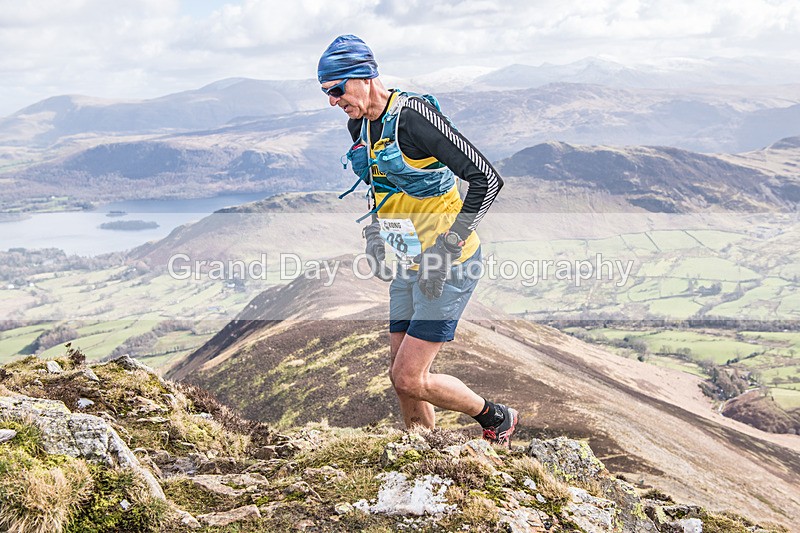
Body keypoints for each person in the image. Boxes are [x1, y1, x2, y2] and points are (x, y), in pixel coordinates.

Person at [318, 35, 518, 446]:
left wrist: (449, 247)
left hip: (449, 264)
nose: (333, 101)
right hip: (409, 261)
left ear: (364, 77)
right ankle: (422, 451)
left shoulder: (415, 118)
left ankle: (497, 417)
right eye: (326, 93)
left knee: (410, 375)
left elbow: (487, 178)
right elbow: (380, 182)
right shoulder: (360, 123)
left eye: (337, 90)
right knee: (401, 377)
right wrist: (375, 234)